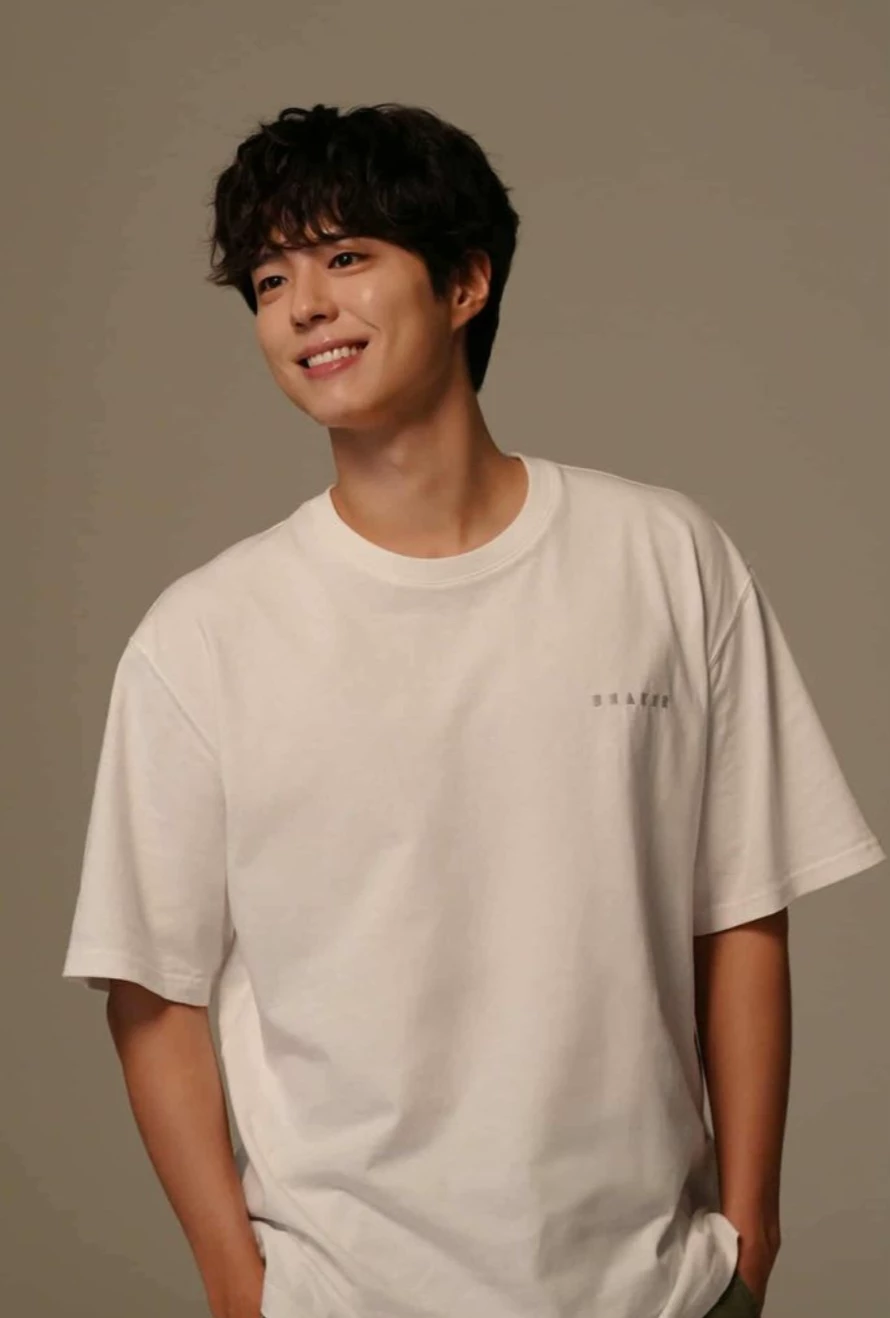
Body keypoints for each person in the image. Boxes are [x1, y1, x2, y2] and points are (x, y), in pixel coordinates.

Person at [61, 102, 885, 1318]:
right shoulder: (203, 636)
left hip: (652, 1291)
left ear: (464, 282)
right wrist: (240, 1291)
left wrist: (745, 1243)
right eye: (270, 279)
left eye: (345, 256)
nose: (302, 306)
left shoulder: (663, 558)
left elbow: (740, 910)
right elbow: (152, 990)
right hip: (341, 1295)